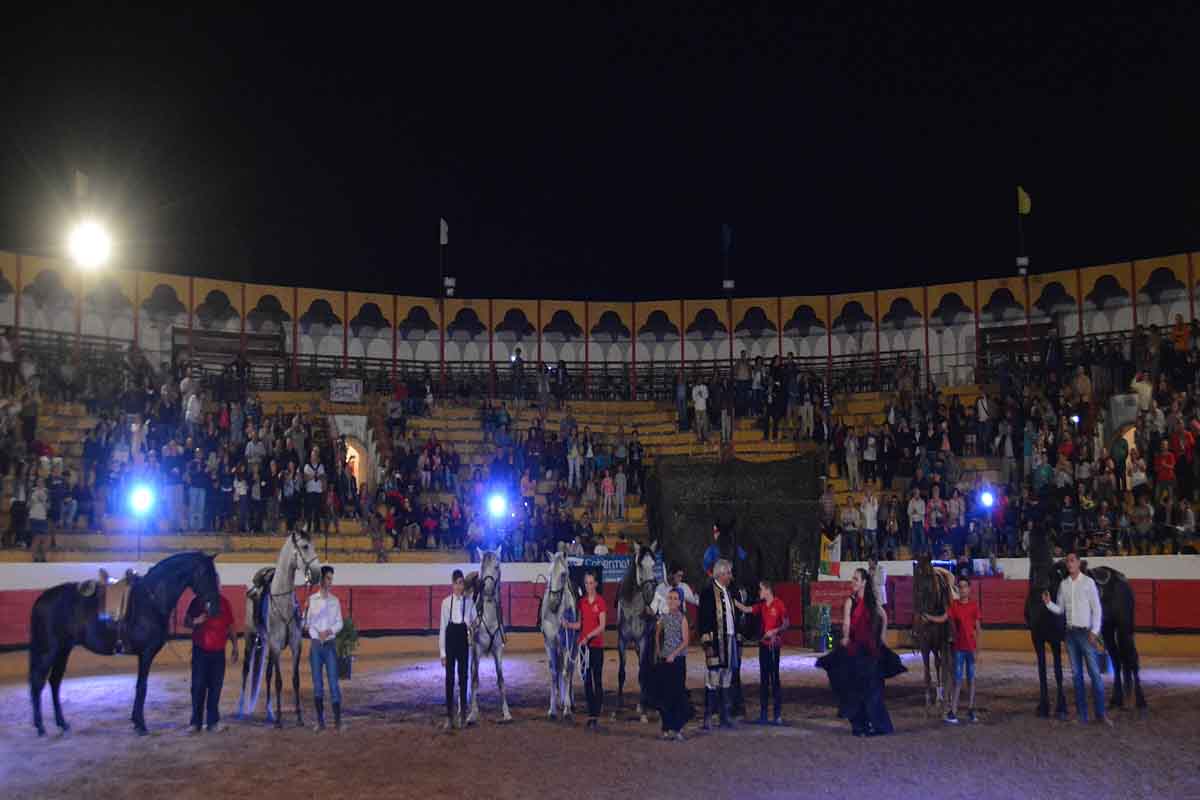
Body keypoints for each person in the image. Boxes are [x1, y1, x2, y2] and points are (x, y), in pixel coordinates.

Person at [1042, 551, 1110, 726]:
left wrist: (1095, 631)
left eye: (1072, 561)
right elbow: (1061, 610)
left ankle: (1100, 714)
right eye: (1067, 562)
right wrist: (1049, 604)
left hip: (1086, 634)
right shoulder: (1064, 585)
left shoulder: (1088, 583)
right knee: (1077, 676)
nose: (1069, 564)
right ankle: (1082, 716)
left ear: (1079, 563)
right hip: (1070, 634)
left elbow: (1097, 609)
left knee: (1094, 674)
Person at [839, 567, 894, 736]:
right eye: (852, 579)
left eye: (856, 579)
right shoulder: (850, 601)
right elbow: (846, 622)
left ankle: (874, 724)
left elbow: (884, 617)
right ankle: (860, 726)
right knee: (856, 689)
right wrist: (846, 636)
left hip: (870, 651)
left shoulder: (872, 601)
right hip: (856, 650)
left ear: (863, 582)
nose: (852, 582)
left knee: (872, 689)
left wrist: (882, 638)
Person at [923, 574, 981, 724]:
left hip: (969, 648)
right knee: (957, 680)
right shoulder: (954, 605)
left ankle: (970, 709)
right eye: (960, 587)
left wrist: (978, 650)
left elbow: (978, 630)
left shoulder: (974, 606)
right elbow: (943, 618)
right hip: (959, 649)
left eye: (965, 587)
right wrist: (929, 617)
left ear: (969, 589)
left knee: (971, 680)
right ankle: (953, 711)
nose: (962, 590)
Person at [184, 579, 237, 733]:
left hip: (218, 652)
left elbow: (230, 625)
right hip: (200, 651)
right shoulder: (196, 602)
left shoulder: (224, 603)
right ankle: (196, 723)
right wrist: (196, 621)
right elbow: (185, 621)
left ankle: (213, 722)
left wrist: (234, 647)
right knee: (198, 686)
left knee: (215, 687)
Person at [735, 579, 789, 725]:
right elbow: (747, 609)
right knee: (764, 680)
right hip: (764, 646)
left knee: (774, 679)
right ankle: (764, 714)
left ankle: (777, 715)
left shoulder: (779, 604)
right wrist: (733, 601)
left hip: (774, 646)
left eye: (760, 589)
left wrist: (775, 631)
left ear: (767, 589)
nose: (759, 592)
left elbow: (786, 623)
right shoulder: (762, 606)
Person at [698, 558, 739, 730]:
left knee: (727, 676)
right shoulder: (708, 591)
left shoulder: (728, 591)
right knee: (713, 677)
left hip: (729, 639)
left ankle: (724, 715)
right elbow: (703, 618)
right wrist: (707, 642)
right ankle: (708, 716)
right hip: (715, 641)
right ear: (721, 573)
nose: (730, 576)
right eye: (728, 572)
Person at [565, 570, 606, 731]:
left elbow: (602, 626)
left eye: (591, 583)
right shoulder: (582, 602)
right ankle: (591, 714)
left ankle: (596, 713)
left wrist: (588, 636)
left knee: (597, 680)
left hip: (596, 647)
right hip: (584, 648)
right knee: (587, 681)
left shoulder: (600, 602)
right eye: (586, 583)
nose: (588, 586)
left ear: (595, 584)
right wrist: (568, 625)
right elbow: (580, 624)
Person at [306, 565, 344, 731]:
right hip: (316, 645)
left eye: (331, 578)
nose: (331, 582)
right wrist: (317, 633)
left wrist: (329, 631)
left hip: (328, 644)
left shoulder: (335, 601)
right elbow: (308, 623)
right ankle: (320, 721)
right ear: (321, 580)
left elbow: (340, 622)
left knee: (334, 683)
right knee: (318, 685)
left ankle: (337, 721)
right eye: (328, 578)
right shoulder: (312, 600)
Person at [439, 569, 476, 730]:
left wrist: (471, 625)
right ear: (452, 584)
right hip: (451, 641)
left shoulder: (469, 602)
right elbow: (442, 628)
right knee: (449, 679)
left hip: (463, 641)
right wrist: (442, 652)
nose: (459, 587)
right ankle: (449, 716)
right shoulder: (446, 602)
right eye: (457, 583)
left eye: (461, 583)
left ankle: (462, 716)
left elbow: (475, 620)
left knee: (463, 678)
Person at [654, 588, 691, 741]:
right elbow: (657, 634)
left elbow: (686, 641)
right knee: (665, 694)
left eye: (675, 598)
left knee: (677, 694)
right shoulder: (663, 618)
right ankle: (666, 727)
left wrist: (674, 654)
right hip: (665, 660)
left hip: (677, 661)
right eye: (669, 598)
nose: (672, 601)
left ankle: (678, 728)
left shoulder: (683, 619)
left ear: (680, 601)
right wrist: (658, 650)